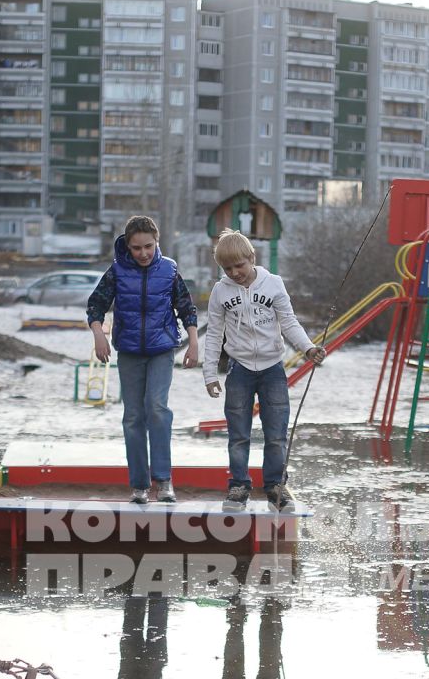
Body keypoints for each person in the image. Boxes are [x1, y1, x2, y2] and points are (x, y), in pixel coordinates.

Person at [200, 230, 323, 511]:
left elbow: (289, 323)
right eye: (228, 269)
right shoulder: (221, 291)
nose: (235, 273)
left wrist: (308, 348)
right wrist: (209, 374)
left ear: (251, 258)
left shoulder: (274, 284)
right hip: (239, 369)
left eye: (239, 265)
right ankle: (239, 486)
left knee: (276, 433)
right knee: (238, 434)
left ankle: (276, 487)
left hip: (273, 370)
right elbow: (214, 334)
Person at [87, 215, 199, 504]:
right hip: (129, 351)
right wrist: (99, 335)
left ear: (157, 242)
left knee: (157, 407)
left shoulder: (169, 270)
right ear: (128, 246)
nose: (143, 253)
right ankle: (139, 485)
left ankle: (163, 481)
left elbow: (187, 308)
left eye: (148, 246)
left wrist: (193, 344)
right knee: (134, 416)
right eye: (136, 248)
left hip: (162, 349)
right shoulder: (117, 271)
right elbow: (96, 304)